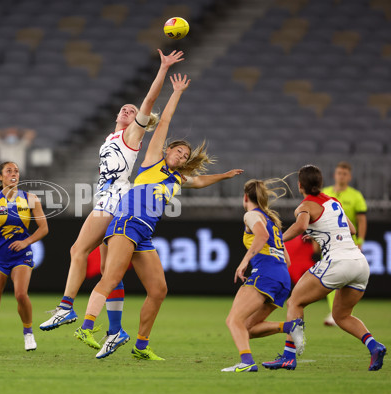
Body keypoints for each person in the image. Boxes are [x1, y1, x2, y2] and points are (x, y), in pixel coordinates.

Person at [77, 73, 243, 360]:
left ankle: (141, 346)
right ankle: (86, 327)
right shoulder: (153, 160)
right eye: (178, 150)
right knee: (112, 275)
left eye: (185, 154)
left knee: (158, 289)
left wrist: (225, 175)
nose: (181, 155)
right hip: (127, 222)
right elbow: (163, 122)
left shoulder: (178, 178)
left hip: (144, 234)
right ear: (167, 150)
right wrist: (176, 92)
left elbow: (200, 181)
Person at [38, 49, 184, 342]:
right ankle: (115, 330)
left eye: (134, 112)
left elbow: (150, 101)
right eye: (125, 109)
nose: (130, 112)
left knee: (77, 251)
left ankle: (66, 307)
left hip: (115, 200)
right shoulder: (111, 138)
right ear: (117, 115)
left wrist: (163, 69)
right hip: (112, 200)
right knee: (108, 272)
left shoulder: (132, 138)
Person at [262, 165, 386, 371]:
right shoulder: (334, 201)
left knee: (295, 301)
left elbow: (301, 225)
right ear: (320, 183)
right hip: (360, 263)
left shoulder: (305, 206)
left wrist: (278, 240)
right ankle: (374, 346)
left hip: (337, 262)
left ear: (300, 185)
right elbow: (352, 229)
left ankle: (288, 356)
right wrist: (318, 230)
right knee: (341, 316)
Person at [221, 179, 303, 372]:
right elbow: (287, 260)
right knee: (247, 328)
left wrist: (245, 261)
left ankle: (247, 363)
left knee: (233, 320)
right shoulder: (272, 221)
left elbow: (261, 236)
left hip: (265, 273)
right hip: (282, 277)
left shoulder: (251, 215)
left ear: (245, 197)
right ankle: (290, 327)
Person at [0, 161, 48, 352]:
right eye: (9, 171)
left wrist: (26, 242)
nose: (14, 173)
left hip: (21, 254)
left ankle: (28, 333)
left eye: (16, 171)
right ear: (0, 176)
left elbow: (44, 228)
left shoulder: (30, 199)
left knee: (21, 294)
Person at [321, 161, 368, 327]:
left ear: (349, 176)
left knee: (345, 279)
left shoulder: (356, 196)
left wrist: (361, 240)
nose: (341, 176)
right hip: (328, 244)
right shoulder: (325, 193)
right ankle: (335, 313)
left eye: (344, 174)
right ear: (335, 175)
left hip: (349, 244)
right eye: (339, 173)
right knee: (330, 278)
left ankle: (340, 313)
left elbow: (361, 221)